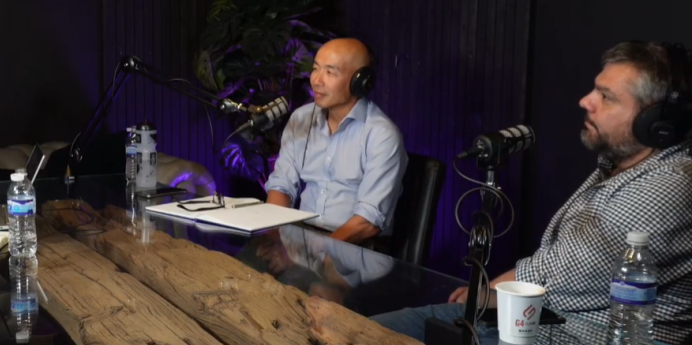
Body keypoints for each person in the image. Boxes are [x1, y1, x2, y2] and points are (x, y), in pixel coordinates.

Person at [370, 41, 692, 345]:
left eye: (606, 97)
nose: (586, 100)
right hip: (535, 322)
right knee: (367, 328)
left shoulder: (670, 186)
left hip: (577, 336)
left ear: (656, 122)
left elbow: (574, 271)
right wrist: (494, 292)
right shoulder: (618, 164)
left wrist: (493, 289)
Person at [264, 38, 408, 245]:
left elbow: (369, 220)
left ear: (359, 81)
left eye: (330, 72)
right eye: (315, 69)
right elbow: (282, 185)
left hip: (354, 248)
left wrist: (317, 253)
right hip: (302, 240)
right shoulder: (302, 119)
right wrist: (275, 238)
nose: (316, 80)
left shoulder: (381, 134)